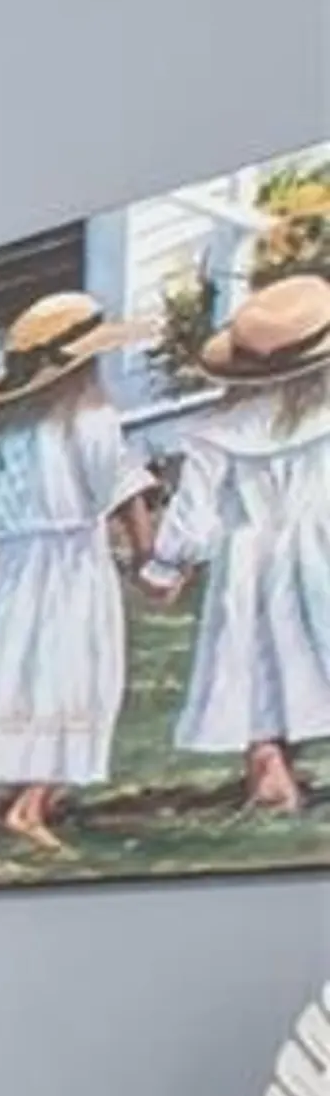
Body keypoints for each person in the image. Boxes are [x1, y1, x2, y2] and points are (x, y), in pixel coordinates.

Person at [0, 293, 156, 855]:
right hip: (71, 562)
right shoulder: (90, 420)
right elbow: (122, 491)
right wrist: (148, 559)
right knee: (76, 677)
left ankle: (32, 790)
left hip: (17, 567)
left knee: (24, 676)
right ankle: (32, 803)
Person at [144, 273, 330, 814]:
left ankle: (268, 765)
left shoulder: (216, 431)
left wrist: (166, 567)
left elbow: (195, 516)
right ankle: (274, 772)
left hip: (250, 554)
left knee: (260, 661)